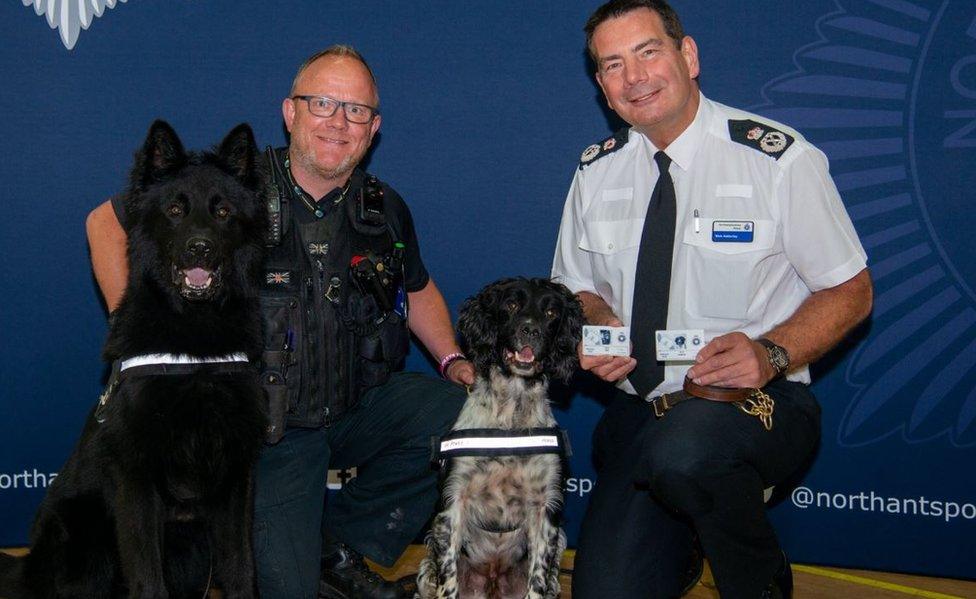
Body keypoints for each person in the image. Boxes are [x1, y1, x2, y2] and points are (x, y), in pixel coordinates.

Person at [86, 46, 474, 599]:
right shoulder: (231, 190)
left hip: (358, 407)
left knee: (466, 419)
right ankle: (301, 549)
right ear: (290, 113)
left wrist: (452, 359)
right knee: (284, 590)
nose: (338, 122)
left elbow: (417, 288)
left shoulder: (383, 206)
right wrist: (140, 323)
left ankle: (334, 546)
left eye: (356, 110)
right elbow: (107, 220)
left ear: (374, 127)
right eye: (323, 103)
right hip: (272, 432)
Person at [551, 2, 873, 598]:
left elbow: (851, 289)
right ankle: (685, 536)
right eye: (613, 64)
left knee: (688, 455)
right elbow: (576, 287)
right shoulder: (595, 172)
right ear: (601, 85)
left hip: (756, 401)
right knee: (605, 591)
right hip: (640, 412)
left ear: (688, 55)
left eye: (649, 52)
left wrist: (772, 353)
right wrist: (596, 324)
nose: (635, 77)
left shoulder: (776, 160)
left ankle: (759, 579)